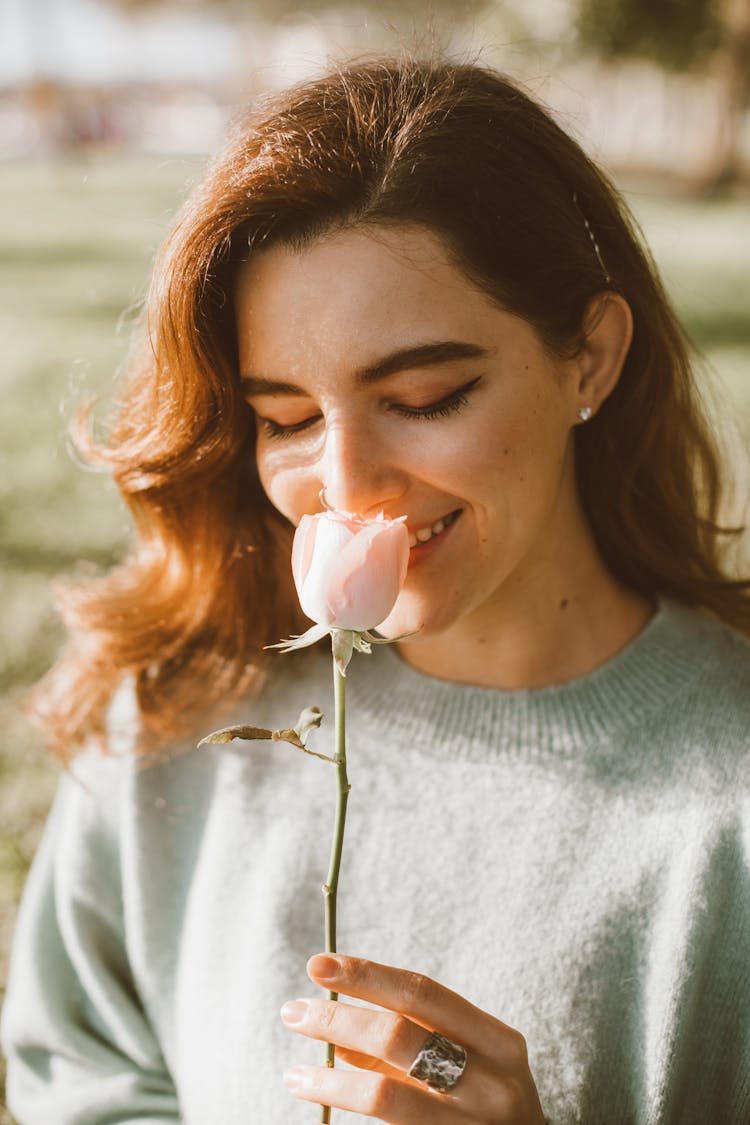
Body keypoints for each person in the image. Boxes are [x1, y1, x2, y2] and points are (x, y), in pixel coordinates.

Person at [2, 56, 750, 1125]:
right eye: (287, 419)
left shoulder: (725, 800)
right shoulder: (172, 718)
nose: (346, 487)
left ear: (589, 356)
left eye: (424, 395)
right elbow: (80, 1080)